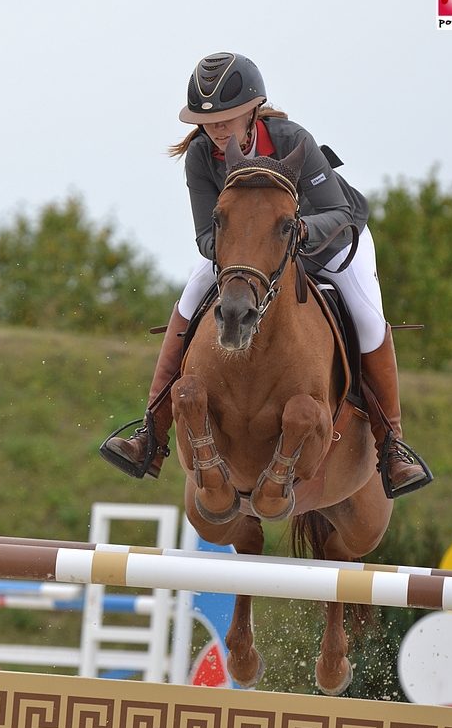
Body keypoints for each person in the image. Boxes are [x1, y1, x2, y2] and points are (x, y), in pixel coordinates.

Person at [101, 52, 432, 498]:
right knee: (186, 304)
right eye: (207, 119)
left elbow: (337, 210)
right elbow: (206, 237)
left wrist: (296, 234)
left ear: (253, 109)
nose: (216, 128)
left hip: (330, 241)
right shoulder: (201, 156)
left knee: (369, 320)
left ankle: (392, 447)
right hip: (249, 254)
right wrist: (248, 252)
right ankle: (151, 435)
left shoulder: (292, 138)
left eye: (226, 117)